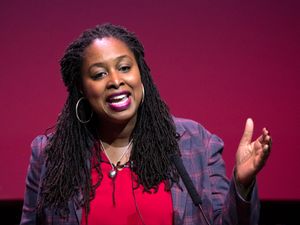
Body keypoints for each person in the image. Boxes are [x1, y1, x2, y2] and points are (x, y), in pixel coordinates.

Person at [20, 23, 272, 225]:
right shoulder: (50, 154)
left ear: (141, 75)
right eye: (99, 74)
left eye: (124, 67)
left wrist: (242, 183)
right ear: (81, 90)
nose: (116, 80)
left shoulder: (196, 143)